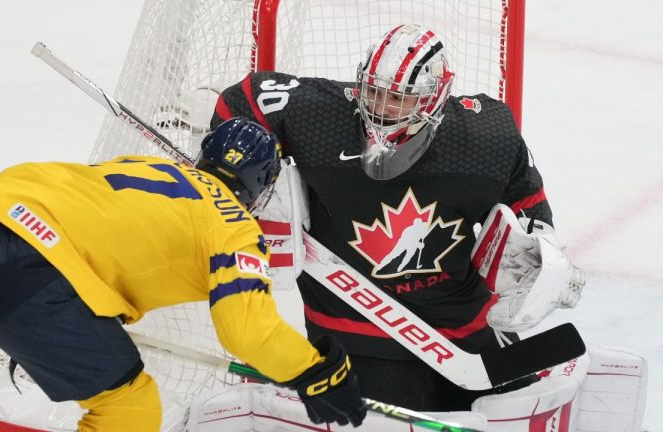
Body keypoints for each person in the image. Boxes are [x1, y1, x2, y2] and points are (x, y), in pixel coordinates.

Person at [0, 118, 367, 431]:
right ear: (261, 186)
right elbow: (246, 331)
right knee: (130, 408)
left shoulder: (144, 166)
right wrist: (315, 371)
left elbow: (102, 232)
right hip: (28, 279)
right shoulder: (235, 224)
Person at [210, 24, 583, 411]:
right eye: (374, 92)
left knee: (520, 412)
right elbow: (239, 102)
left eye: (400, 99)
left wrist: (542, 252)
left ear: (435, 98)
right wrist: (252, 178)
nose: (382, 108)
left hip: (464, 331)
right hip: (354, 328)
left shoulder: (485, 137)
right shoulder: (320, 117)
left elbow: (527, 196)